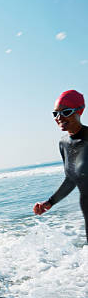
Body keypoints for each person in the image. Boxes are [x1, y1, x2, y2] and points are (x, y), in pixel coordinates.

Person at [34, 90, 88, 242]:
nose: (59, 118)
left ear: (80, 110)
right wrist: (50, 202)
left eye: (66, 112)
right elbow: (71, 179)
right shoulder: (64, 144)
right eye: (55, 114)